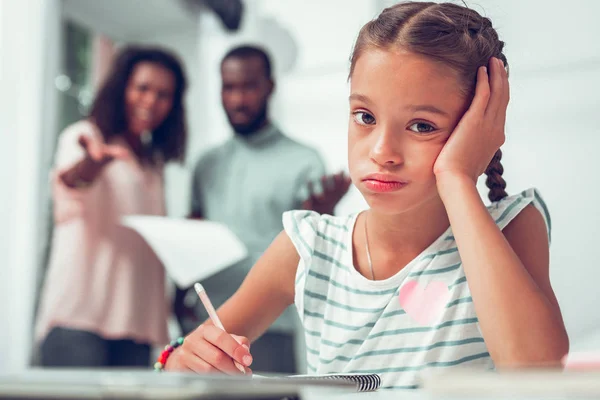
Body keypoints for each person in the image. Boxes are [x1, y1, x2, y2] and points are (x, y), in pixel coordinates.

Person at [165, 2, 569, 389]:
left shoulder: (513, 227)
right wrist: (184, 359)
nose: (381, 151)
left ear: (479, 127)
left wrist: (457, 177)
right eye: (366, 117)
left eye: (422, 126)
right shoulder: (309, 247)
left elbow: (534, 370)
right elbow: (181, 361)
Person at [174, 45, 351, 373]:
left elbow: (317, 248)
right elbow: (195, 237)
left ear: (269, 87)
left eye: (249, 86)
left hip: (271, 328)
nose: (238, 99)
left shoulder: (304, 160)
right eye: (229, 87)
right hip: (204, 326)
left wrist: (325, 213)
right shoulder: (206, 164)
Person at [35, 46, 188, 367]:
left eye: (164, 94)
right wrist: (91, 165)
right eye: (142, 88)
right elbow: (70, 183)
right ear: (122, 89)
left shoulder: (153, 164)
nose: (151, 101)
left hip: (136, 326)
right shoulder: (84, 136)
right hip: (79, 319)